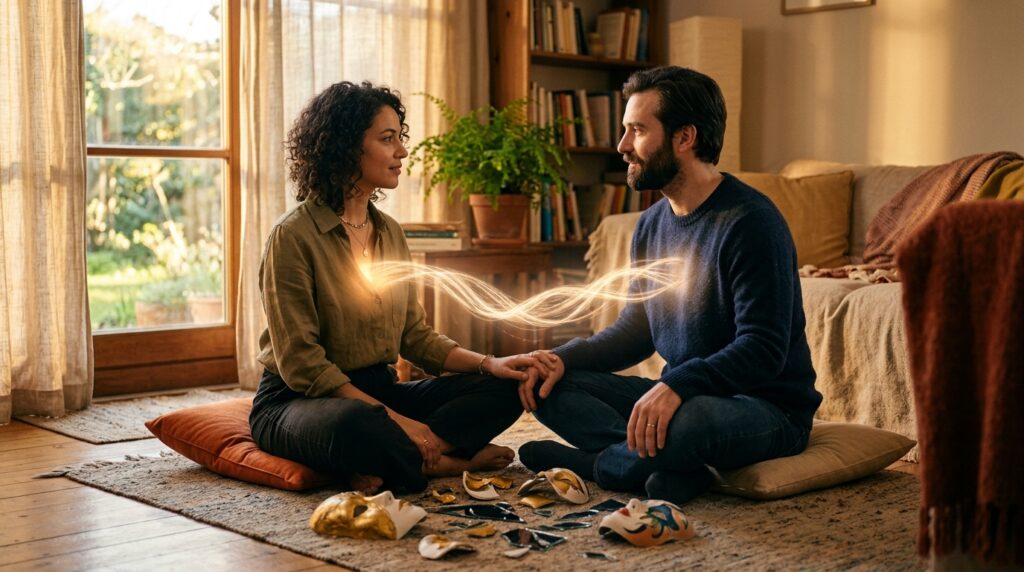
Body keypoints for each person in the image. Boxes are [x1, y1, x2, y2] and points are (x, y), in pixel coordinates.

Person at [517, 66, 822, 505]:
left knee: (691, 421)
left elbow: (763, 348)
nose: (622, 147)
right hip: (680, 394)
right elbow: (636, 330)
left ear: (685, 138)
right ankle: (674, 467)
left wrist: (678, 385)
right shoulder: (651, 223)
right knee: (550, 387)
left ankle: (602, 464)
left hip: (763, 408)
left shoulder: (751, 222)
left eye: (637, 130)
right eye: (625, 131)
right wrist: (556, 359)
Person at [249, 81, 535, 494]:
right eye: (388, 140)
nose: (402, 152)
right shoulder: (292, 236)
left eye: (400, 139)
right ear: (347, 146)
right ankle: (446, 464)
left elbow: (415, 337)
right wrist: (402, 423)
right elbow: (302, 365)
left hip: (378, 392)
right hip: (298, 401)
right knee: (356, 425)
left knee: (504, 388)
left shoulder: (390, 233)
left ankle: (409, 456)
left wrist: (491, 364)